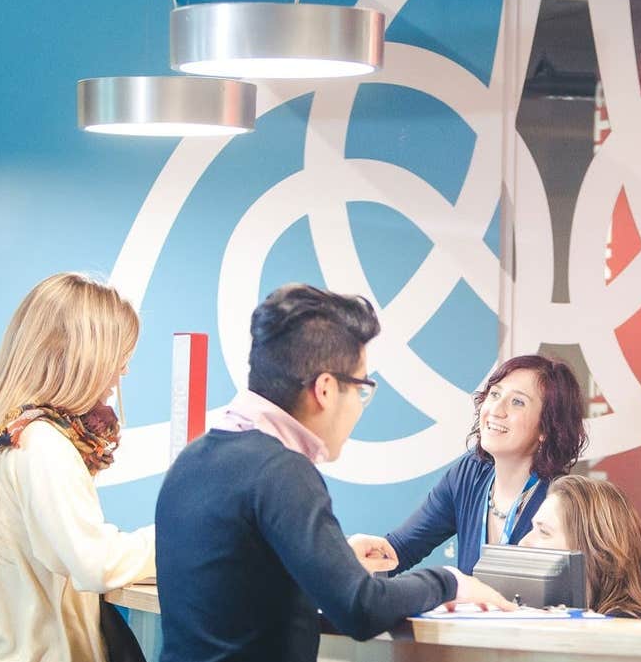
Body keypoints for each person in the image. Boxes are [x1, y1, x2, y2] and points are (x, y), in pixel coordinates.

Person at [155, 284, 512, 662]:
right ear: (325, 389)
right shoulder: (282, 470)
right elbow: (361, 608)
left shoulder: (194, 459)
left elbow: (239, 578)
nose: (360, 408)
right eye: (361, 389)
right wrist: (449, 582)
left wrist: (334, 557)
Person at [0, 272, 156, 662]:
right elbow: (94, 563)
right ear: (80, 357)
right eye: (118, 357)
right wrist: (172, 539)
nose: (122, 373)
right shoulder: (41, 442)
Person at [348, 355, 588, 575]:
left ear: (547, 427)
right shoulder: (468, 475)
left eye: (517, 402)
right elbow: (399, 551)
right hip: (471, 622)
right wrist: (348, 559)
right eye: (495, 394)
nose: (496, 409)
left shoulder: (559, 499)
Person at [519, 475, 641, 620]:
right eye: (532, 529)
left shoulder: (624, 631)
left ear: (594, 549)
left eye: (544, 531)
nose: (523, 543)